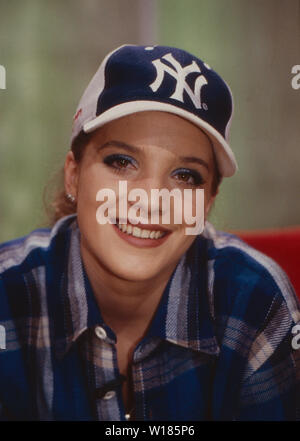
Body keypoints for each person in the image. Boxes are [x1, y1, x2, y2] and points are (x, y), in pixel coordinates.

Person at [0, 44, 299, 421]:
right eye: (121, 162)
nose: (152, 201)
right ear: (74, 174)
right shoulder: (6, 295)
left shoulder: (257, 301)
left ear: (206, 203)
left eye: (186, 175)